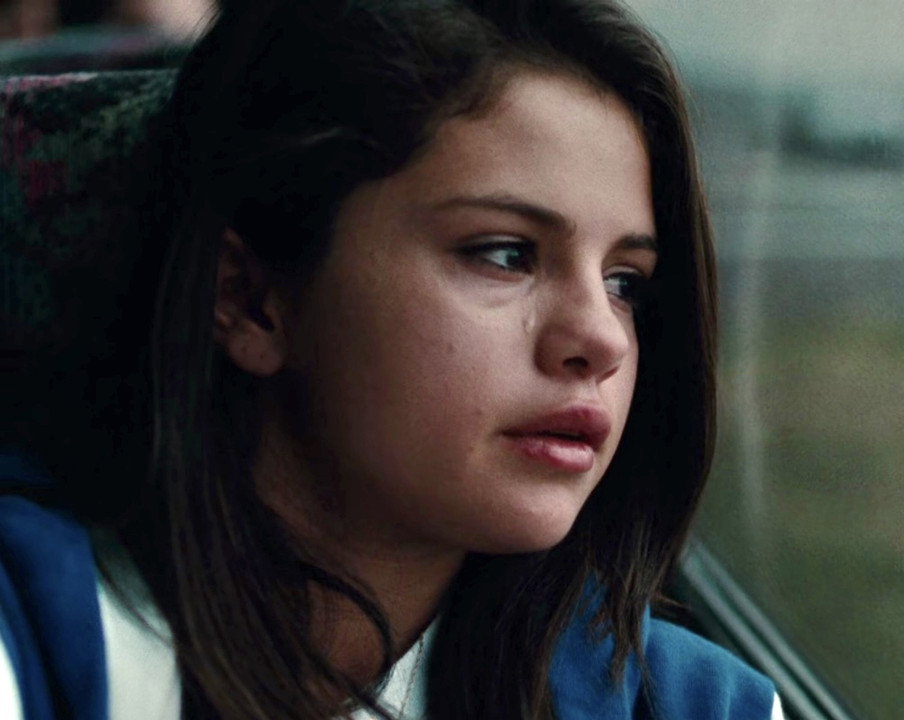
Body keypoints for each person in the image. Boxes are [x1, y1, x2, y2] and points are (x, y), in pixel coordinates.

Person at [0, 1, 785, 718]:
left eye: (625, 283)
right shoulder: (38, 635)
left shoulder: (704, 706)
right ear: (251, 298)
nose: (604, 338)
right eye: (505, 253)